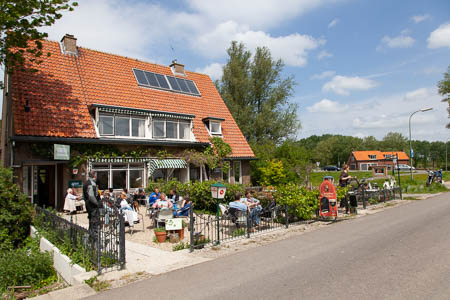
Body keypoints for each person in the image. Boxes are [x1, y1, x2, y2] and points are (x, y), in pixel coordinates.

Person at [83, 170, 101, 235]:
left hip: (88, 205)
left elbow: (84, 196)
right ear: (94, 176)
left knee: (91, 222)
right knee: (95, 222)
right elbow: (91, 196)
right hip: (93, 206)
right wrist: (97, 204)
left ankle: (90, 237)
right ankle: (95, 240)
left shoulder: (86, 183)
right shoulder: (91, 184)